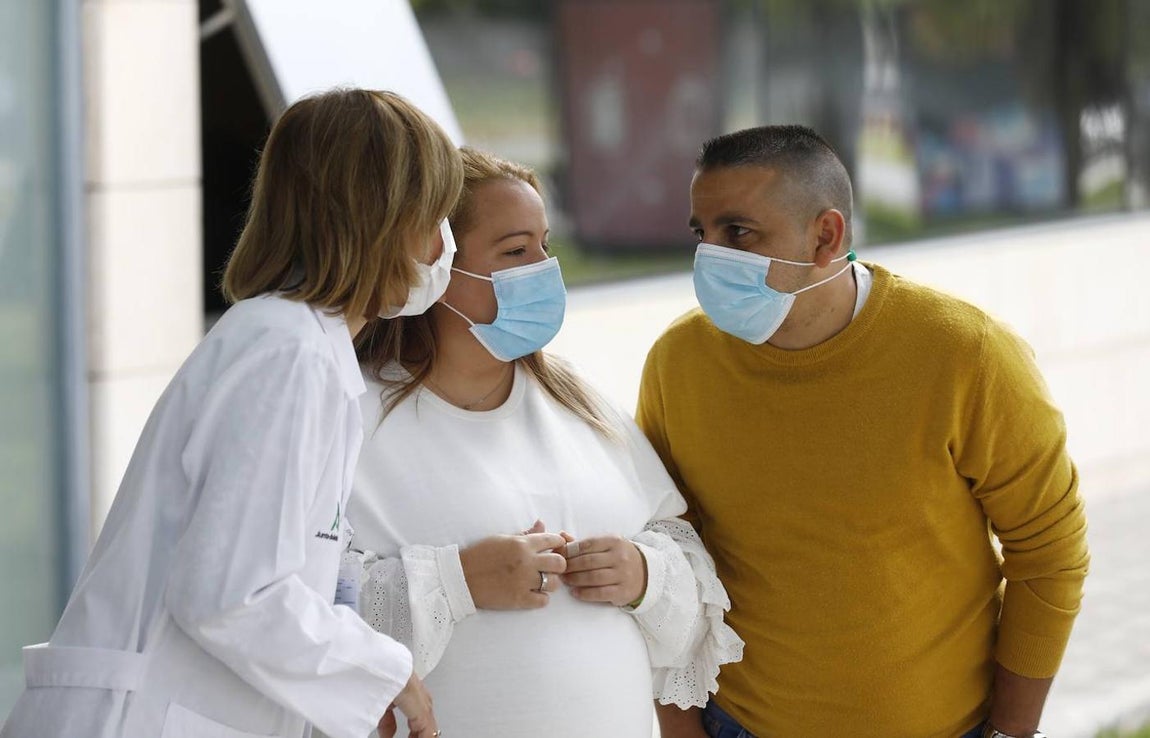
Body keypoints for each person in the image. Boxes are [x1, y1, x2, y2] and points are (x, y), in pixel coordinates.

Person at [0, 89, 463, 738]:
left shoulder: (302, 351)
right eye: (433, 216)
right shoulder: (286, 352)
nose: (445, 245)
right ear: (376, 218)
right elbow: (232, 594)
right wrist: (389, 676)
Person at [639, 125, 1089, 738]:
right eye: (703, 233)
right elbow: (669, 556)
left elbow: (1050, 554)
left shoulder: (966, 354)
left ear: (826, 235)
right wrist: (679, 726)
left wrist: (1012, 731)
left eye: (738, 232)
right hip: (738, 725)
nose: (710, 256)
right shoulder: (678, 362)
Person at [348, 147, 744, 738]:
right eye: (514, 251)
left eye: (544, 245)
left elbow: (685, 560)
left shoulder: (576, 399)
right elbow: (298, 614)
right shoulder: (352, 417)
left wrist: (643, 575)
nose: (543, 269)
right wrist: (458, 580)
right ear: (433, 262)